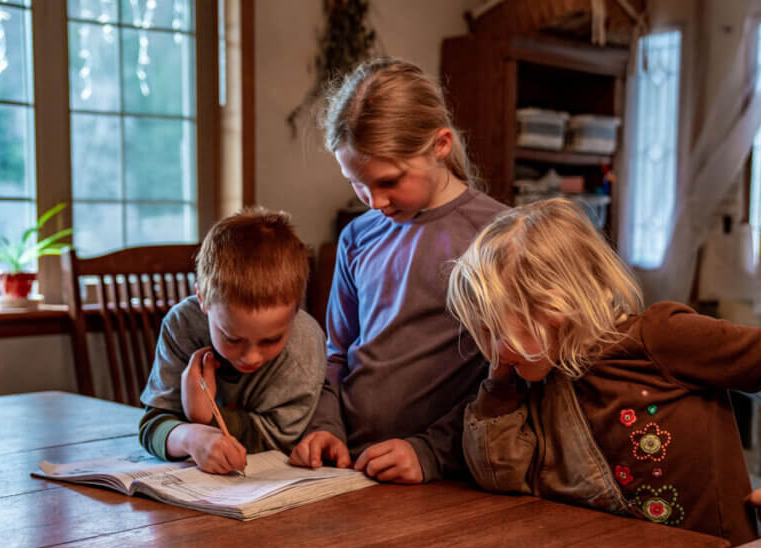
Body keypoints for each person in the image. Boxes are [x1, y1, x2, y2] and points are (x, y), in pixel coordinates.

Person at [446, 198, 761, 545]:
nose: (489, 350)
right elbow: (501, 479)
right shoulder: (534, 373)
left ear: (556, 306)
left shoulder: (661, 338)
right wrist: (499, 385)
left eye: (496, 330)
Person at [288, 58, 508, 483]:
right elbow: (336, 352)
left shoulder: (497, 237)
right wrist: (324, 427)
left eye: (388, 181)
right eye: (357, 184)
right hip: (348, 468)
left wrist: (431, 451)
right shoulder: (357, 237)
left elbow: (506, 376)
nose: (373, 202)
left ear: (440, 145)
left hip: (442, 477)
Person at [139, 209, 326, 475]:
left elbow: (279, 440)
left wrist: (202, 418)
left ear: (296, 310)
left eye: (271, 340)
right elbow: (152, 426)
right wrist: (191, 438)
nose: (251, 357)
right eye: (232, 337)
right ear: (202, 299)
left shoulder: (305, 343)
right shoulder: (183, 325)